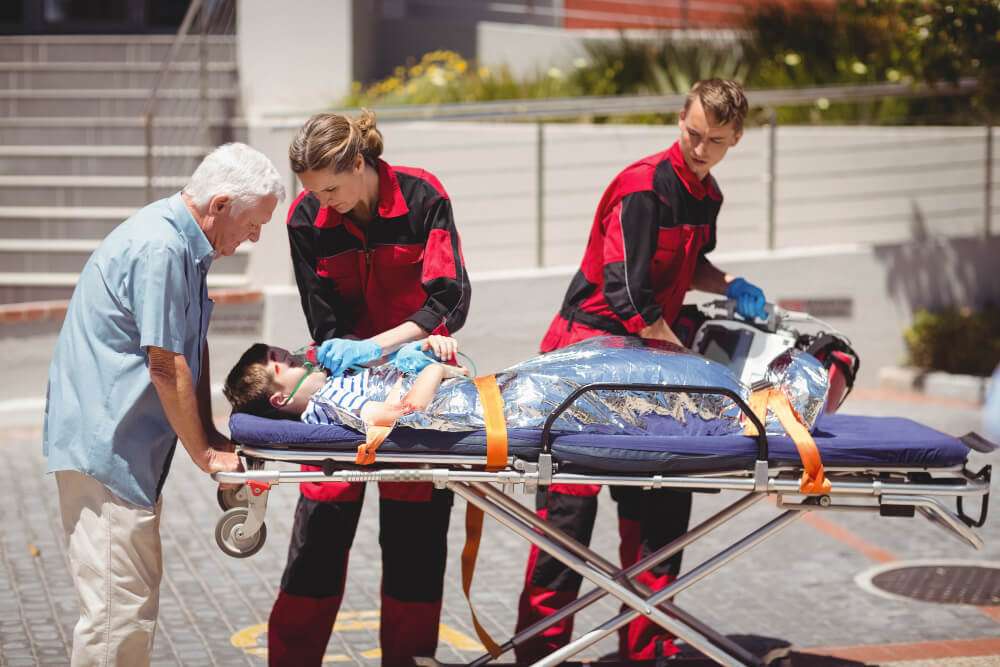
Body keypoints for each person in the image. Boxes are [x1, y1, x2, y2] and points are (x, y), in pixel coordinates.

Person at [516, 79, 767, 661]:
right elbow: (627, 293)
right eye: (693, 133)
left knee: (658, 502)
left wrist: (729, 284)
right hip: (587, 354)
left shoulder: (707, 196)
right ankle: (537, 652)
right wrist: (684, 362)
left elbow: (688, 261)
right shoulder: (643, 188)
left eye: (716, 141)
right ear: (680, 118)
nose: (700, 150)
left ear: (737, 140)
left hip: (650, 356)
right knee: (567, 516)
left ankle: (648, 648)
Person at [43, 142, 285, 667]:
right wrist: (205, 456)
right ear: (220, 205)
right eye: (253, 222)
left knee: (129, 607)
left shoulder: (183, 244)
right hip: (105, 452)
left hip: (121, 452)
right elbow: (165, 362)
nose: (254, 236)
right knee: (117, 618)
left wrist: (210, 434)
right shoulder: (162, 248)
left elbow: (189, 348)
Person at [271, 109, 471, 667]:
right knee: (315, 550)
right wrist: (349, 357)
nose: (322, 201)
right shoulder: (305, 219)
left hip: (419, 394)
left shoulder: (424, 197)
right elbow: (324, 321)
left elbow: (451, 298)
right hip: (345, 399)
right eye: (312, 190)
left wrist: (386, 348)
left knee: (415, 555)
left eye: (331, 187)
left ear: (360, 163)